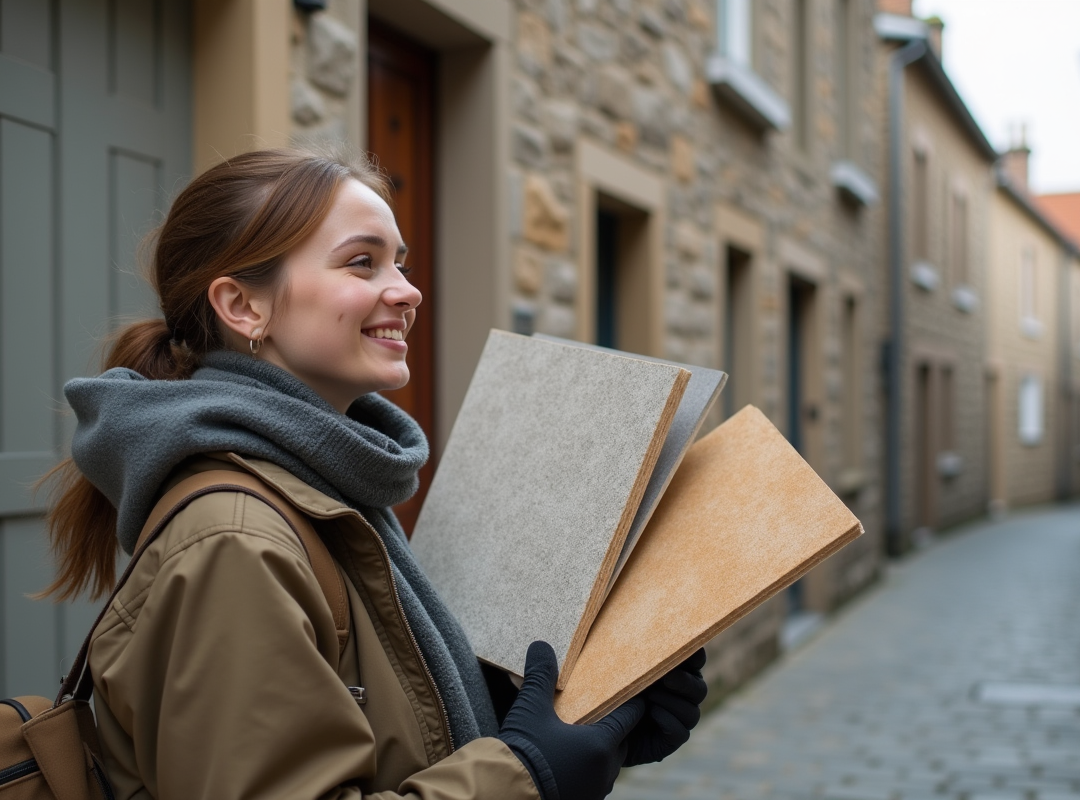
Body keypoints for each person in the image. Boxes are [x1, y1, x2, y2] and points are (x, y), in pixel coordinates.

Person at [41, 148, 707, 800]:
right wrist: (527, 775)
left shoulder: (322, 482)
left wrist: (560, 723)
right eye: (361, 262)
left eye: (400, 263)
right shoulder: (235, 539)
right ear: (243, 306)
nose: (408, 291)